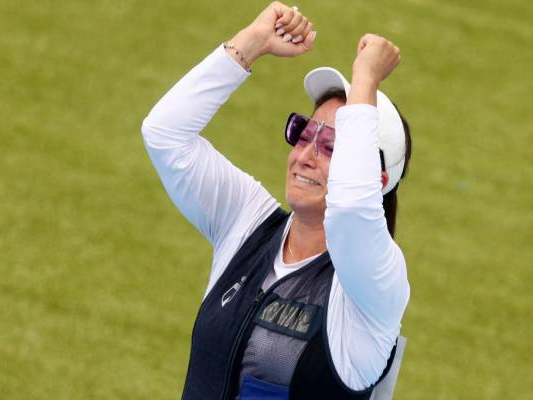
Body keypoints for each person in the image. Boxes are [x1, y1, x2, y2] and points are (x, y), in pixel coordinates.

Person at [141, 2, 412, 399]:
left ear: (378, 178)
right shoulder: (247, 220)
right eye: (304, 132)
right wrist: (252, 42)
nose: (305, 154)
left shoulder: (375, 281)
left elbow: (352, 212)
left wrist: (365, 80)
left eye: (331, 146)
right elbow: (165, 135)